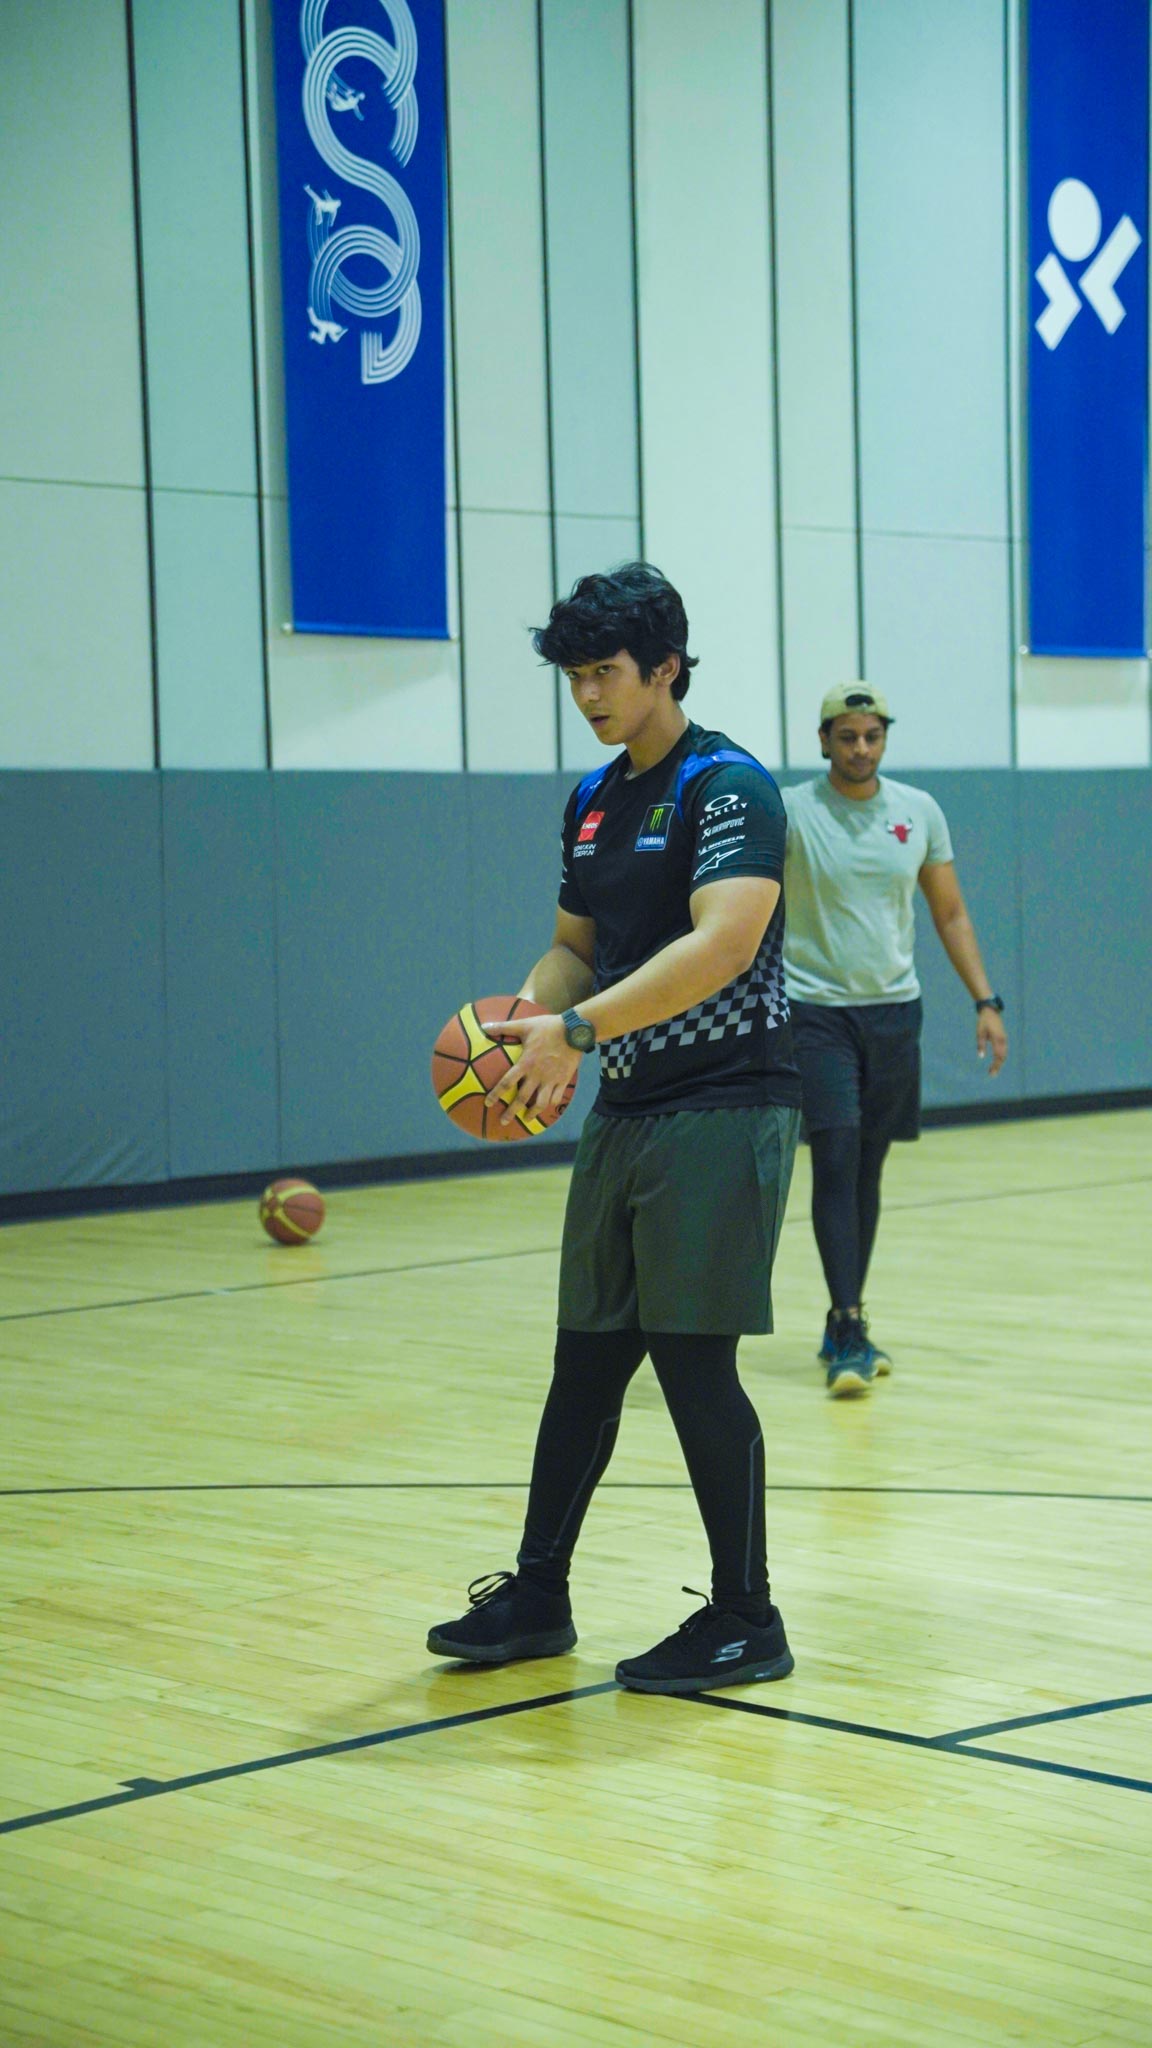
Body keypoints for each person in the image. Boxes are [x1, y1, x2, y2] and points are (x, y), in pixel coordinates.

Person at [427, 564, 803, 1695]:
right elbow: (573, 946)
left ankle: (748, 1616)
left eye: (605, 671)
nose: (588, 692)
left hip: (728, 1101)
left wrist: (574, 1031)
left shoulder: (729, 786)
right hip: (629, 1107)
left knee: (694, 1361)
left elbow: (723, 945)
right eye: (574, 674)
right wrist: (523, 1023)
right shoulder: (593, 798)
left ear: (667, 669)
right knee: (584, 1359)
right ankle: (539, 1593)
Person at [783, 683, 1009, 1397]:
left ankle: (840, 1313)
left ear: (884, 740)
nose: (859, 748)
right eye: (846, 736)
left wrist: (985, 1000)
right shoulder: (790, 812)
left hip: (893, 1014)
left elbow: (949, 913)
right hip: (815, 1011)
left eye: (871, 736)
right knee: (837, 1153)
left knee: (868, 1169)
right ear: (823, 740)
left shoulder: (918, 813)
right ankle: (851, 1326)